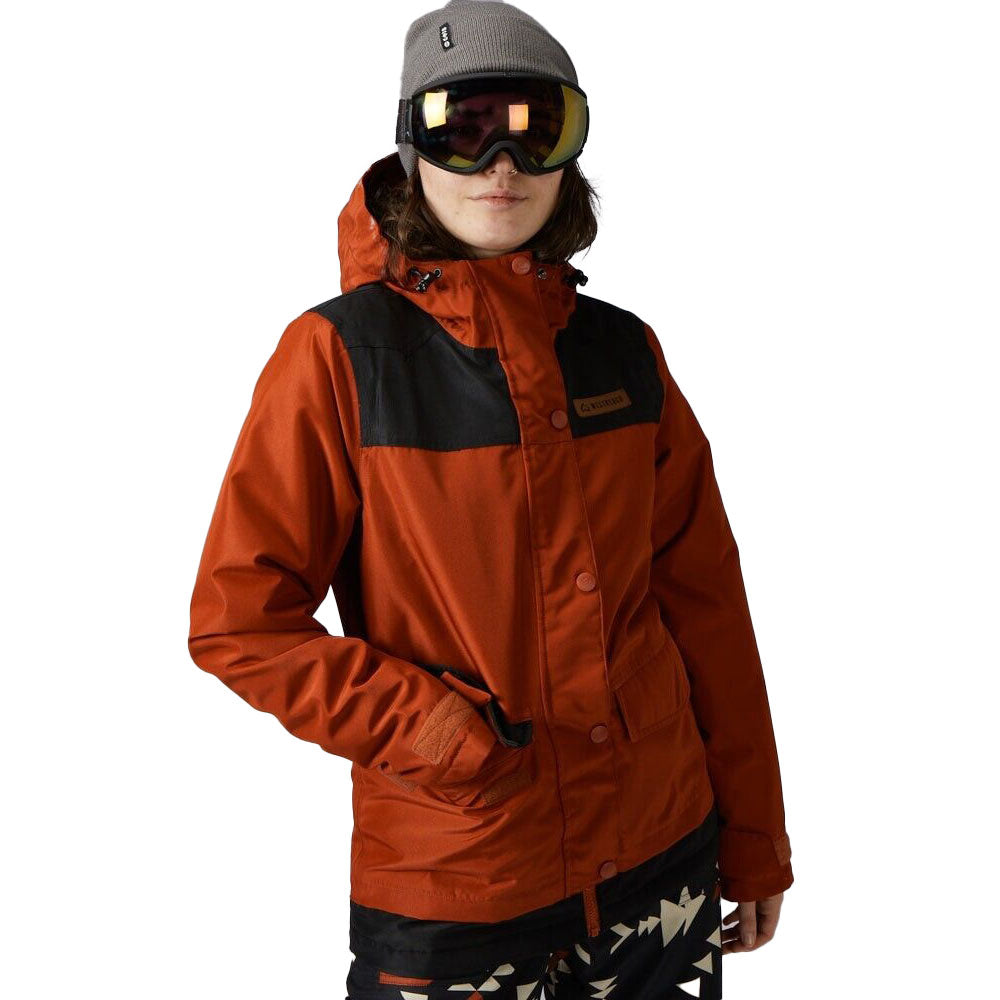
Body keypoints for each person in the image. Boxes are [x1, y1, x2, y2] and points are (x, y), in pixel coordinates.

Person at [187, 2, 794, 997]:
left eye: (535, 128)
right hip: (463, 886)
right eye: (462, 129)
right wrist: (434, 731)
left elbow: (707, 608)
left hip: (664, 865)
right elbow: (238, 624)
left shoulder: (623, 352)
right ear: (410, 147)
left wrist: (756, 835)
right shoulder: (340, 358)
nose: (501, 165)